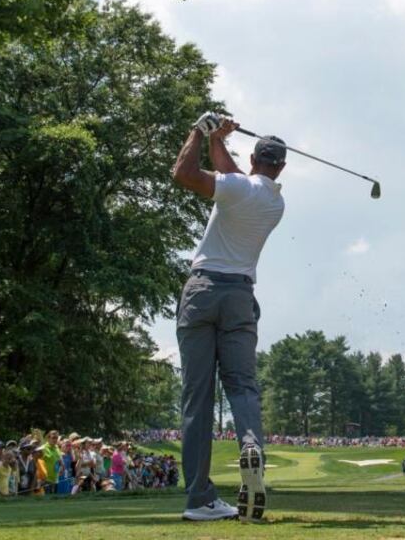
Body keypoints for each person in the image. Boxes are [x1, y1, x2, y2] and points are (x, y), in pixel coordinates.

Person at [172, 112, 285, 522]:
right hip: (240, 295)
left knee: (197, 398)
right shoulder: (274, 201)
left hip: (202, 292)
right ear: (281, 167)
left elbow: (183, 173)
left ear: (254, 159)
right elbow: (234, 178)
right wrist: (219, 140)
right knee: (242, 386)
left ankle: (200, 499)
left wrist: (199, 132)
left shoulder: (238, 187)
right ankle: (251, 444)